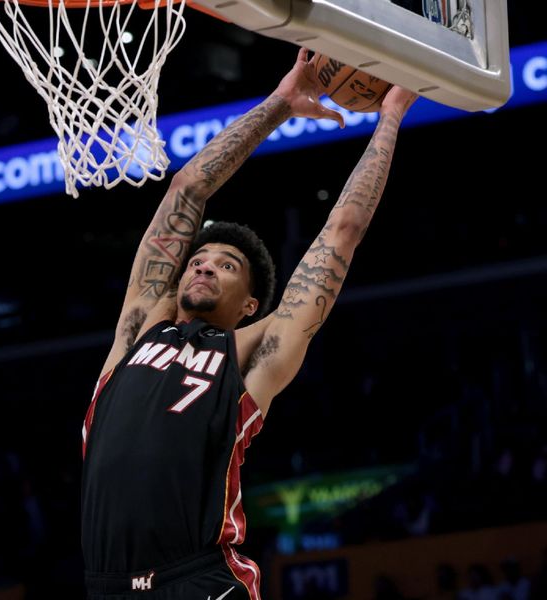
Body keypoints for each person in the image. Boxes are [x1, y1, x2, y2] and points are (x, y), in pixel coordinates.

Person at [80, 46, 418, 600]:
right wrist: (281, 103)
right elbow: (187, 188)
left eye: (226, 265)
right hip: (106, 587)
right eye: (198, 259)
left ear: (250, 306)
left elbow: (341, 233)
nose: (205, 263)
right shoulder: (138, 329)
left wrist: (391, 118)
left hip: (201, 581)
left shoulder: (251, 353)